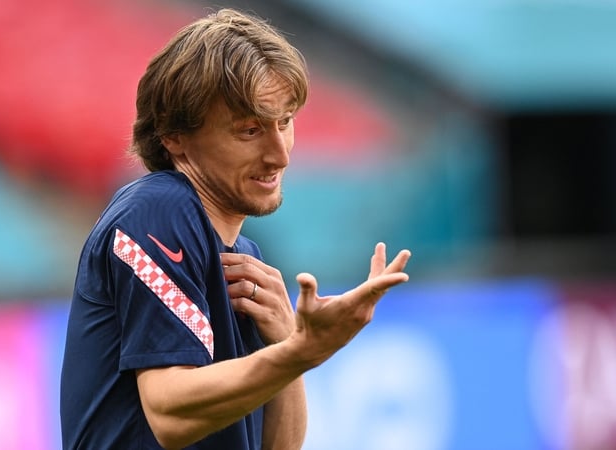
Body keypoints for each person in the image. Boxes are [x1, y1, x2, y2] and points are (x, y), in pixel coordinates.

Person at [59, 8, 411, 450]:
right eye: (250, 130)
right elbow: (169, 412)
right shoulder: (157, 210)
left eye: (285, 123)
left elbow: (278, 446)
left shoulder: (246, 257)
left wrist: (287, 343)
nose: (280, 155)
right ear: (174, 135)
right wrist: (300, 351)